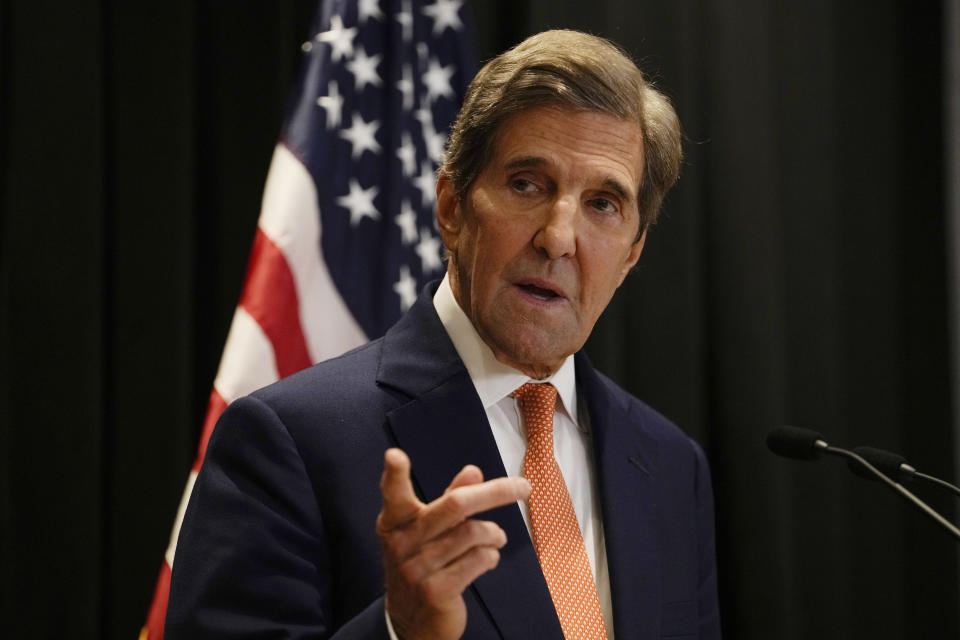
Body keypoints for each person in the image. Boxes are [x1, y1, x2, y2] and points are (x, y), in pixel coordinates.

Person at [167, 29, 720, 640]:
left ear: (632, 253)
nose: (559, 237)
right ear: (453, 208)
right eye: (527, 184)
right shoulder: (290, 441)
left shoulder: (670, 465)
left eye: (603, 203)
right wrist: (399, 629)